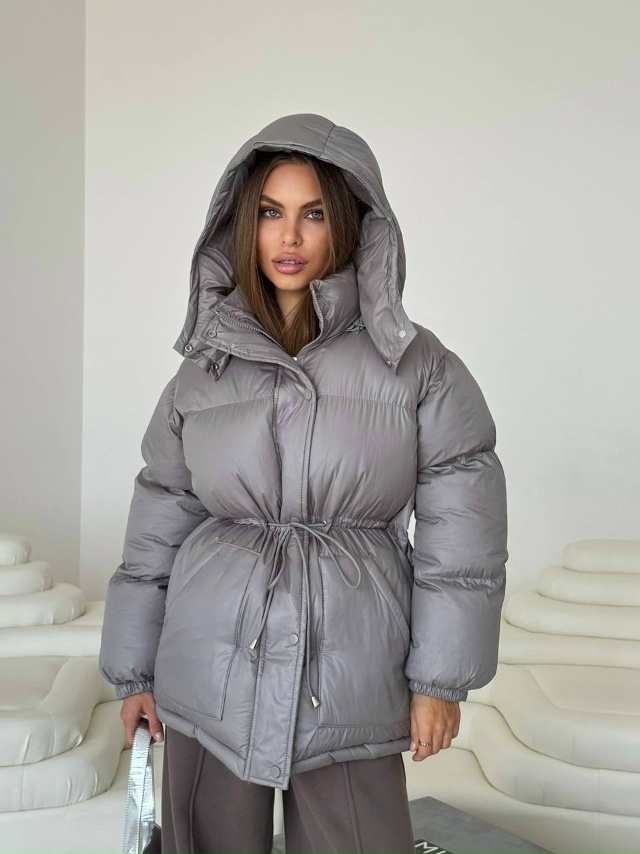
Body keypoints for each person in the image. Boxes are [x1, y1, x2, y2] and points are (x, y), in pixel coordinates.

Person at [99, 113, 508, 854]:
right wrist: (135, 673)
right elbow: (159, 521)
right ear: (242, 226)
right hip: (206, 668)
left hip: (349, 676)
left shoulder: (418, 366)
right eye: (270, 213)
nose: (289, 237)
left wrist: (439, 682)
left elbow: (462, 537)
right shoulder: (203, 371)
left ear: (349, 225)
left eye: (313, 214)